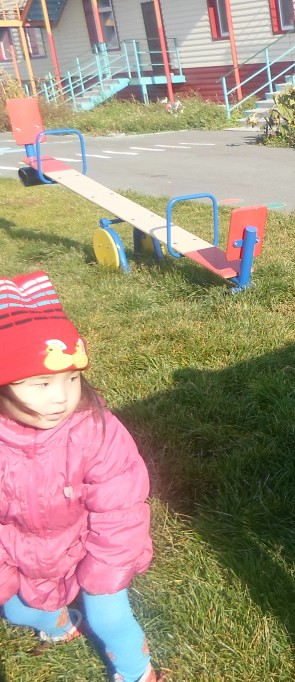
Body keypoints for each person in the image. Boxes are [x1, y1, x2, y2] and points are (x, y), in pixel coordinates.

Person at [0, 272, 162, 682]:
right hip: (22, 553)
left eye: (71, 378)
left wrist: (105, 572)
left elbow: (121, 509)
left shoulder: (93, 430)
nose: (61, 396)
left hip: (90, 545)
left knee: (109, 618)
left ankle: (137, 672)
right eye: (41, 383)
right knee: (18, 610)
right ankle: (59, 624)